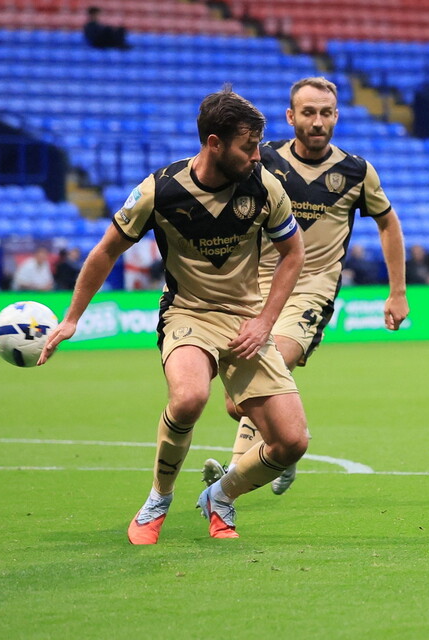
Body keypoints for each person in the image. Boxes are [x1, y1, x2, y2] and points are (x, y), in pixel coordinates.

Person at [37, 85, 308, 544]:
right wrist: (72, 318)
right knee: (188, 399)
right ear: (214, 143)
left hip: (246, 321)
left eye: (259, 145)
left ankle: (220, 496)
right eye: (248, 146)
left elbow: (293, 254)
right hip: (188, 313)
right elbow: (106, 251)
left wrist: (265, 320)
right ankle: (158, 499)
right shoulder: (159, 190)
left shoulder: (264, 186)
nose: (257, 156)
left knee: (291, 443)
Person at [202, 76, 409, 496]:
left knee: (270, 365)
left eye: (326, 113)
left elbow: (388, 223)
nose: (318, 121)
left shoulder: (356, 172)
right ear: (290, 116)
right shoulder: (262, 159)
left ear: (337, 116)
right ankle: (286, 444)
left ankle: (235, 473)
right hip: (254, 288)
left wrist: (398, 292)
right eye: (309, 112)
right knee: (236, 403)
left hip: (312, 290)